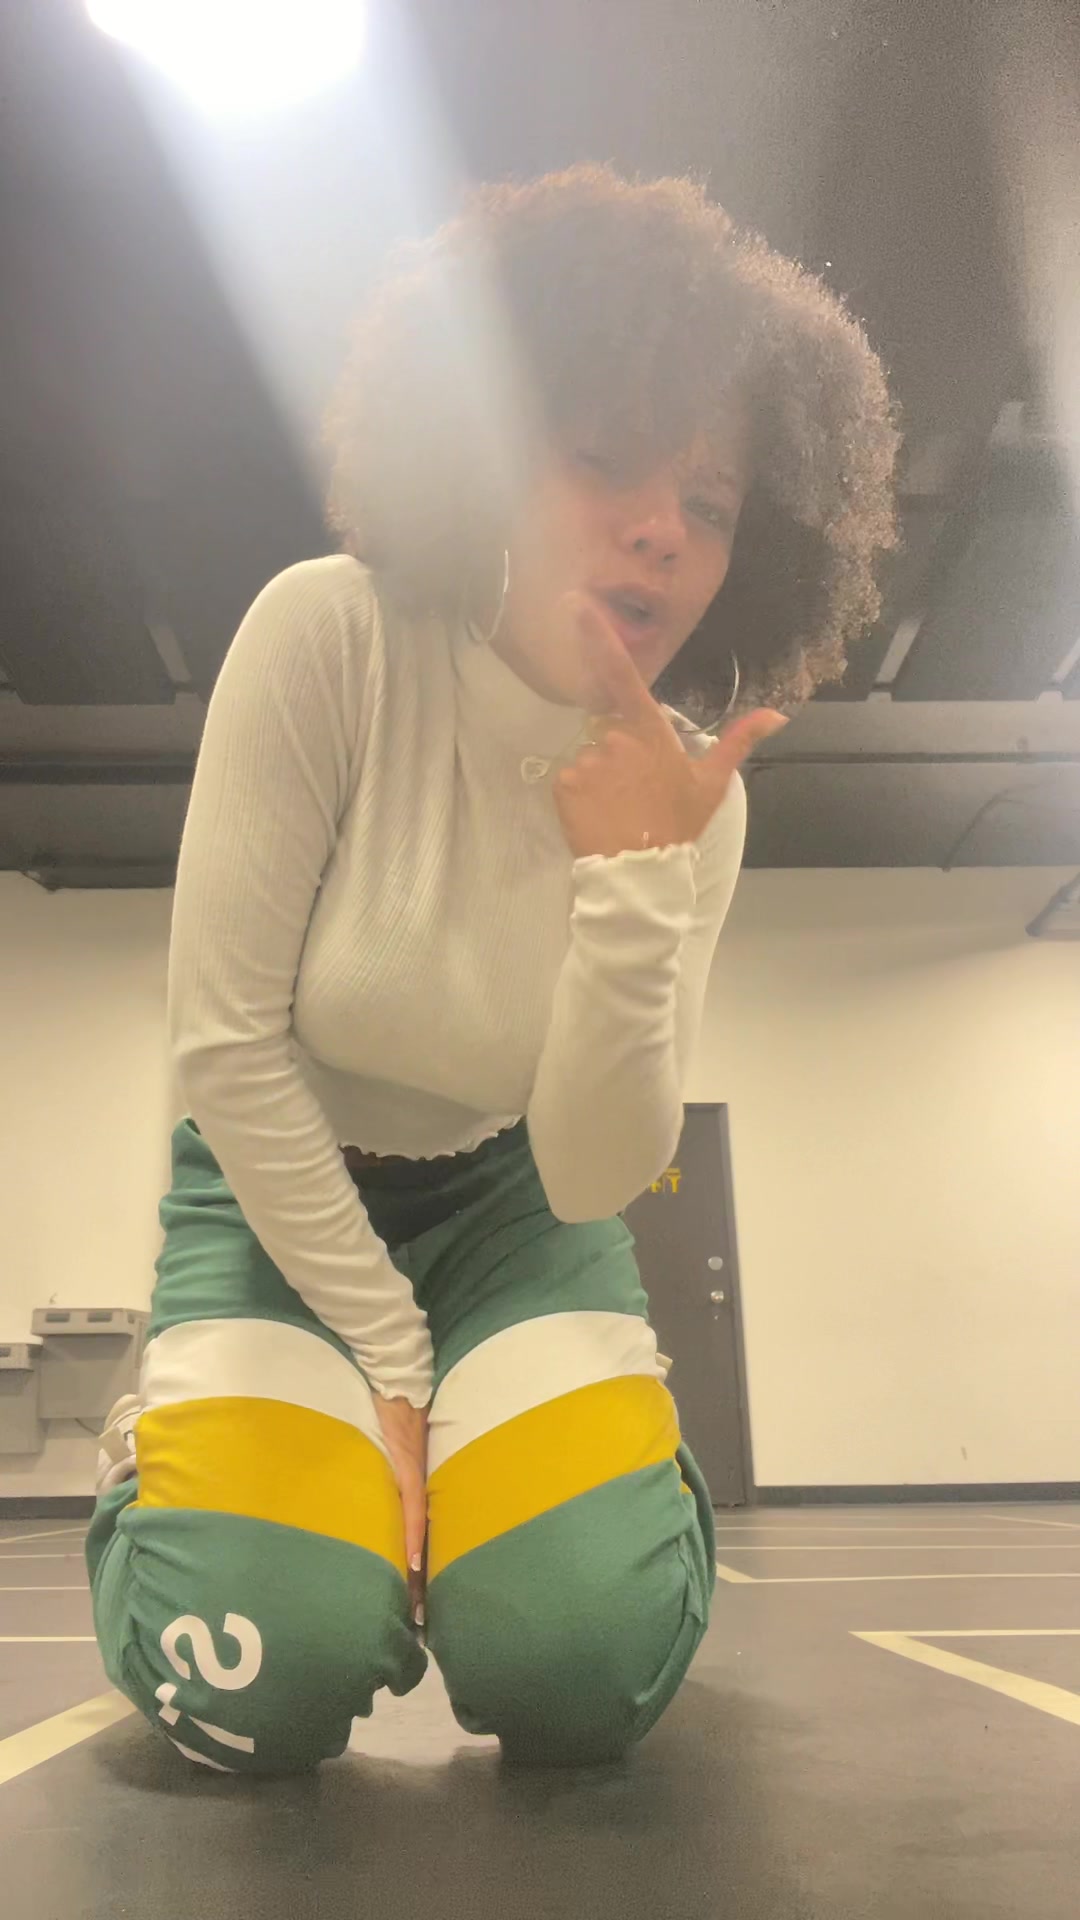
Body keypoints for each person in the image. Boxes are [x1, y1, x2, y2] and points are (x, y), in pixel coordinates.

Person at [87, 165, 897, 1774]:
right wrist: (395, 1361)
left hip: (519, 1209)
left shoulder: (693, 801)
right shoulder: (329, 636)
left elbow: (595, 1173)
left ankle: (594, 1492)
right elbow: (226, 1046)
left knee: (582, 1675)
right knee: (253, 1678)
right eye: (603, 462)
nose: (662, 527)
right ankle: (163, 1447)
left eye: (713, 503)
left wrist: (635, 882)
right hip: (273, 1189)